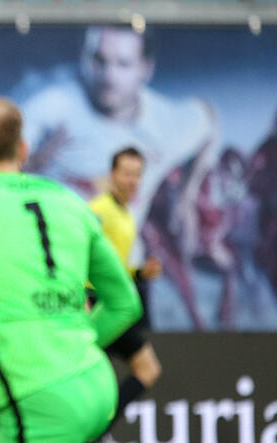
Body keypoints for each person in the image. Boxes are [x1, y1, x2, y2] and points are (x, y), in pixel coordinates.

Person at [0, 97, 142, 442]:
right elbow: (126, 303)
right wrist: (76, 348)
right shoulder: (68, 199)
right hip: (98, 382)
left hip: (36, 396)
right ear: (22, 149)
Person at [21, 25, 216, 329]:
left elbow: (208, 120)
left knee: (137, 357)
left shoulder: (166, 123)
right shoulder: (53, 106)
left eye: (123, 64)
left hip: (121, 277)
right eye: (99, 60)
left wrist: (185, 198)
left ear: (146, 68)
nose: (108, 75)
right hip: (55, 279)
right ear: (84, 59)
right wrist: (28, 166)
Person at [88, 147, 162, 428]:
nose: (132, 180)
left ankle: (95, 429)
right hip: (96, 306)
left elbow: (113, 267)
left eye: (137, 174)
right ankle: (91, 430)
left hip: (115, 306)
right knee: (97, 380)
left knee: (147, 370)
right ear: (112, 175)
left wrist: (139, 272)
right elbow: (77, 254)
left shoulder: (126, 215)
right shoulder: (98, 210)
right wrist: (82, 298)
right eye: (127, 173)